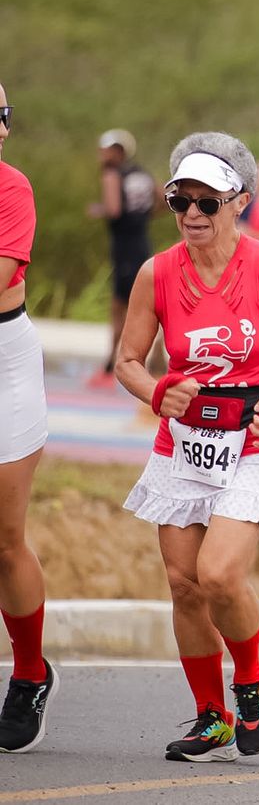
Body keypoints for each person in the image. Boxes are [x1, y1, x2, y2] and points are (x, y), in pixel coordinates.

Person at [115, 132, 259, 762]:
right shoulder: (157, 273)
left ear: (240, 202)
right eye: (180, 201)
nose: (192, 214)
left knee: (218, 574)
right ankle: (211, 716)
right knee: (184, 584)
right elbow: (127, 360)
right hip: (184, 440)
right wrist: (158, 393)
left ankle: (251, 680)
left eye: (207, 202)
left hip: (255, 437)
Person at [0, 85, 57, 754]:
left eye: (1, 117)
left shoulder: (12, 188)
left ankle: (30, 673)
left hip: (5, 362)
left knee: (5, 538)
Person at [86, 128, 156, 389]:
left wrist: (101, 209)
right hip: (142, 243)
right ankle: (150, 361)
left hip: (124, 247)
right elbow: (163, 198)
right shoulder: (141, 174)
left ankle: (112, 367)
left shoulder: (112, 175)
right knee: (147, 304)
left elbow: (114, 209)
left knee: (120, 308)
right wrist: (141, 216)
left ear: (117, 152)